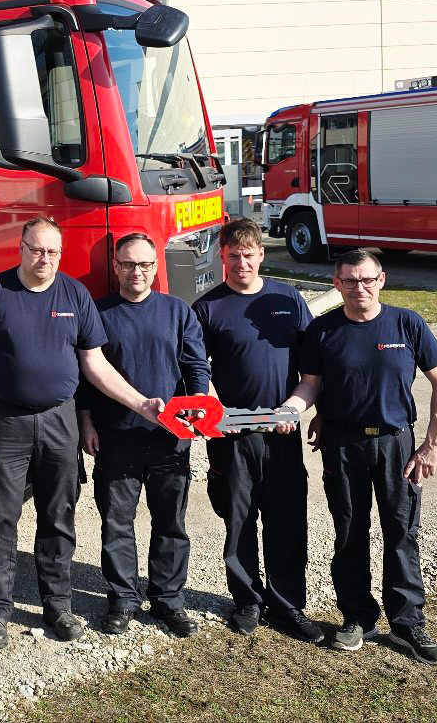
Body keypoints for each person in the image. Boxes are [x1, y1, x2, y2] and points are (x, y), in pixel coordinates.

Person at [0, 218, 166, 651]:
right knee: (0, 518)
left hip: (60, 420)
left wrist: (140, 403)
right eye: (37, 250)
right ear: (21, 248)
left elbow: (95, 364)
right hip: (5, 422)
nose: (45, 259)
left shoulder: (74, 294)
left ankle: (58, 605)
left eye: (53, 252)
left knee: (58, 517)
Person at [282, 248, 437, 665]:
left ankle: (408, 623)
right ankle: (357, 617)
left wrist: (432, 443)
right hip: (343, 445)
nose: (358, 287)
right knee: (349, 531)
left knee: (401, 532)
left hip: (397, 444)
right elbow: (311, 385)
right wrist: (292, 409)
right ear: (336, 284)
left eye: (366, 279)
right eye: (349, 280)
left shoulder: (407, 323)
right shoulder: (322, 331)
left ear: (381, 280)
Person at [192, 218, 321, 642]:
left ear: (262, 254)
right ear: (221, 256)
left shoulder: (288, 298)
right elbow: (197, 371)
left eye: (249, 254)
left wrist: (296, 409)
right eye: (233, 255)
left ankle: (288, 607)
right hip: (232, 436)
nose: (241, 262)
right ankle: (246, 601)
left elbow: (312, 370)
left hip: (282, 433)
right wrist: (216, 410)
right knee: (239, 520)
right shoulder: (207, 308)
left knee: (286, 520)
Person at [78, 233, 209, 638]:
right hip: (116, 436)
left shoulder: (177, 311)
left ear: (156, 267)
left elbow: (195, 366)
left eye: (145, 264)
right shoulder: (97, 313)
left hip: (170, 437)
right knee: (117, 523)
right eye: (129, 264)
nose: (137, 272)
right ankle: (122, 599)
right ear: (116, 267)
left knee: (171, 522)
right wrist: (86, 422)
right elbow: (84, 377)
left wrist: (200, 402)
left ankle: (168, 599)